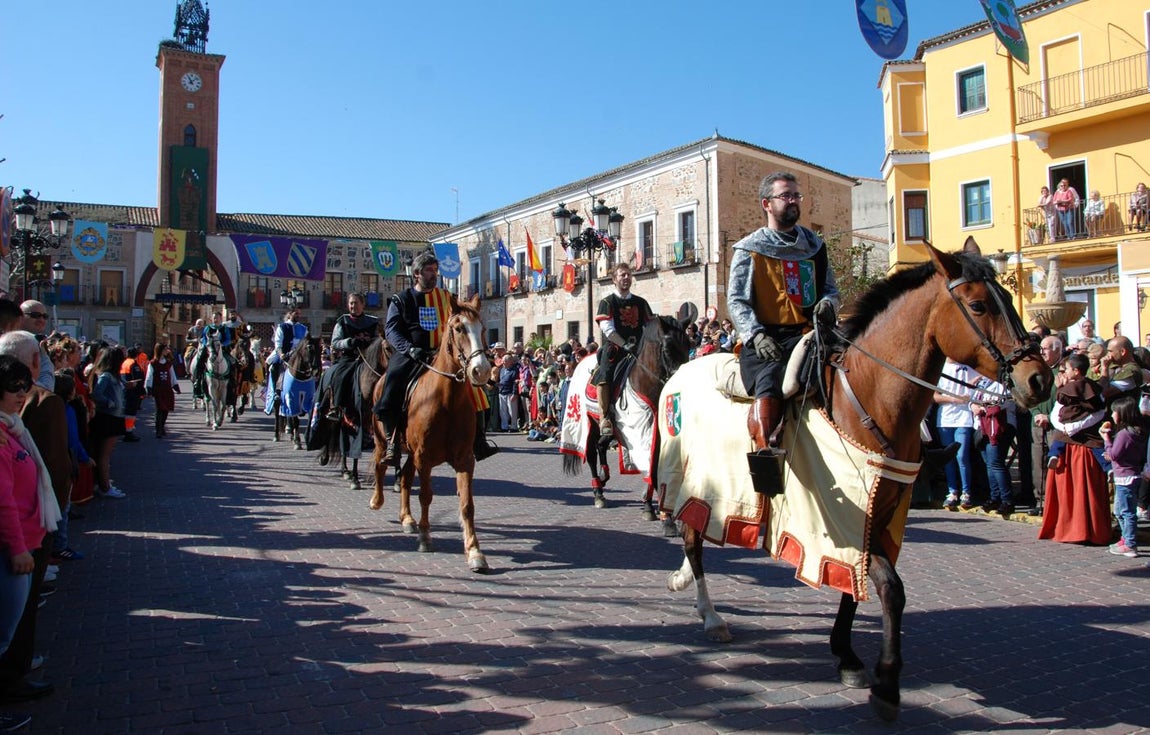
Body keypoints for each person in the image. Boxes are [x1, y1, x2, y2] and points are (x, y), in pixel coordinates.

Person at [727, 171, 838, 491]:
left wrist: (828, 304)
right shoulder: (750, 248)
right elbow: (736, 300)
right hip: (768, 337)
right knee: (771, 376)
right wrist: (755, 335)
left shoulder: (815, 246)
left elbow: (830, 289)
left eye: (796, 196)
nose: (793, 201)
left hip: (810, 332)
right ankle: (766, 454)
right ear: (766, 204)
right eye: (785, 196)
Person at [374, 251, 497, 464]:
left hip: (444, 355)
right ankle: (392, 441)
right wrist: (409, 349)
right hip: (412, 354)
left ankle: (479, 440)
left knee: (474, 390)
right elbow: (392, 330)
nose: (434, 274)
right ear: (416, 274)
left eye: (435, 270)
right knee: (393, 382)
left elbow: (461, 321)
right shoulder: (401, 300)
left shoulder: (446, 298)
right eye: (429, 270)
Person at [0, 354, 58, 716]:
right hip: (14, 549)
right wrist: (19, 548)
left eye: (25, 387)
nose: (22, 395)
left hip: (29, 540)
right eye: (13, 389)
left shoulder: (12, 427)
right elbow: (3, 499)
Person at [591, 262, 655, 439]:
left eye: (628, 274)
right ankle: (605, 418)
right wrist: (624, 344)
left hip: (638, 349)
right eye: (622, 275)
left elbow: (650, 325)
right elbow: (608, 329)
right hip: (615, 348)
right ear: (614, 280)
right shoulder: (607, 302)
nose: (626, 278)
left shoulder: (641, 302)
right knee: (605, 373)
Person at [325, 292, 379, 431]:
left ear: (363, 305)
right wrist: (350, 342)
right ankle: (336, 407)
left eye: (356, 303)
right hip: (350, 358)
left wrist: (372, 342)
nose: (353, 306)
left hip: (369, 359)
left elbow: (380, 339)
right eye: (351, 303)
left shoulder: (373, 322)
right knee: (340, 375)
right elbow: (335, 343)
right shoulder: (342, 322)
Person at [1100, 397, 1145, 558]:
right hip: (1132, 475)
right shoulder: (1137, 432)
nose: (1112, 414)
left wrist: (1106, 440)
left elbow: (1114, 454)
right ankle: (1125, 538)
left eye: (1115, 411)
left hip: (1125, 477)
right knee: (1120, 510)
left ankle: (1130, 544)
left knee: (1126, 511)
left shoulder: (1124, 434)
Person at [1046, 353, 1105, 469]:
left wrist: (1075, 426)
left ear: (1076, 371)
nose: (1065, 372)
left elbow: (1099, 412)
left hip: (1083, 436)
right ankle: (1107, 467)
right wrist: (1062, 427)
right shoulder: (1091, 386)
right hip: (1067, 431)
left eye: (1067, 369)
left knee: (1058, 440)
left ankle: (1054, 455)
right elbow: (1056, 411)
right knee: (1097, 447)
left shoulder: (1070, 389)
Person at [934, 359, 978, 510]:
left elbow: (980, 380)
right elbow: (935, 396)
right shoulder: (941, 367)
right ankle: (952, 492)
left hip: (964, 418)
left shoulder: (967, 368)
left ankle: (966, 492)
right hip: (945, 419)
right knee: (948, 457)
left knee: (961, 456)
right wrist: (954, 399)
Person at [87, 346, 128, 499]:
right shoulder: (106, 376)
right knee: (104, 455)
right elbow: (95, 393)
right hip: (108, 417)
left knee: (104, 454)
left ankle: (103, 482)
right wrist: (109, 402)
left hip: (113, 417)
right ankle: (105, 487)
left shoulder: (113, 375)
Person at [144, 344, 180, 439]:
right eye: (165, 349)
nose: (167, 350)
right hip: (158, 389)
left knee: (166, 409)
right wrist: (148, 387)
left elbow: (172, 375)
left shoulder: (168, 363)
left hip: (167, 389)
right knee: (159, 409)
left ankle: (162, 426)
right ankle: (158, 429)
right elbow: (149, 376)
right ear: (160, 350)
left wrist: (175, 385)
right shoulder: (153, 363)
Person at [119, 347, 146, 443]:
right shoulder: (133, 364)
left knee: (126, 411)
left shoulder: (125, 363)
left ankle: (126, 430)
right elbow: (138, 379)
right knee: (131, 413)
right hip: (132, 391)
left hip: (125, 391)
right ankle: (128, 432)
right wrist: (142, 391)